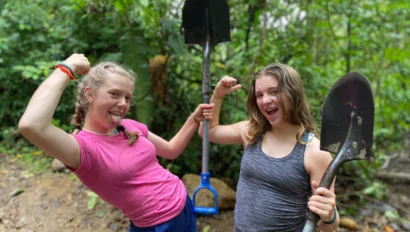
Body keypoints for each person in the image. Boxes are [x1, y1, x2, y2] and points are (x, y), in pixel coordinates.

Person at [18, 53, 214, 232]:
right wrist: (67, 67)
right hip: (156, 225)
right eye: (114, 94)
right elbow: (31, 125)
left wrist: (194, 119)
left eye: (127, 97)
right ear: (89, 94)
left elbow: (171, 150)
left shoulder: (130, 126)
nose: (123, 103)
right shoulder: (82, 149)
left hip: (184, 204)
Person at [203, 63, 340, 232]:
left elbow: (330, 226)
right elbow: (209, 132)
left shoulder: (316, 152)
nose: (265, 100)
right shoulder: (251, 133)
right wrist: (217, 96)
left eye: (274, 92)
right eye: (259, 95)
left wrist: (329, 216)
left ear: (293, 93)